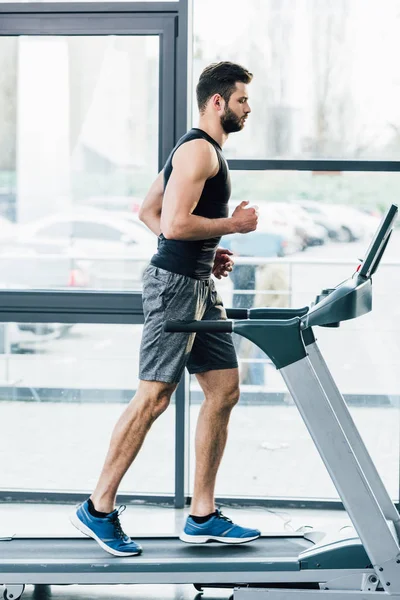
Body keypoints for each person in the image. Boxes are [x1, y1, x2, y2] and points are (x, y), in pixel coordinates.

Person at [71, 61, 260, 557]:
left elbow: (149, 212)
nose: (247, 108)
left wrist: (208, 249)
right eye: (242, 99)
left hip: (197, 280)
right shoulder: (199, 150)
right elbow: (172, 224)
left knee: (223, 390)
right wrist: (233, 229)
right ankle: (97, 507)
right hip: (174, 285)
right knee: (154, 397)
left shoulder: (193, 148)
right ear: (218, 101)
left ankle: (201, 515)